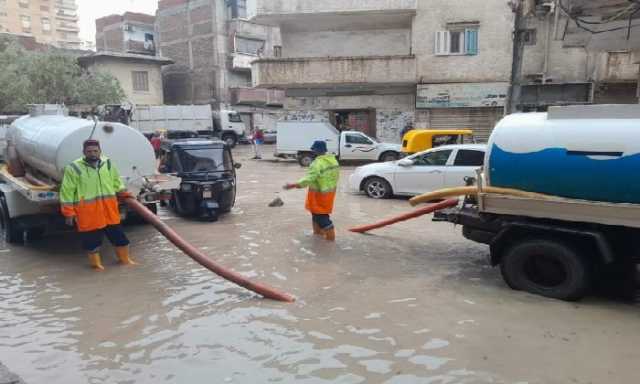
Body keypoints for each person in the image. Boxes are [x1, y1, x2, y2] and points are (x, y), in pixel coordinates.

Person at [60, 140, 136, 271]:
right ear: (84, 152)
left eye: (95, 151)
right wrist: (69, 213)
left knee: (120, 238)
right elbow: (67, 191)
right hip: (89, 213)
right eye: (89, 151)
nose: (93, 154)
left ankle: (125, 260)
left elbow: (116, 181)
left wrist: (124, 194)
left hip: (109, 211)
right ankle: (96, 266)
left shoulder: (107, 163)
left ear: (100, 151)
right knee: (92, 242)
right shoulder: (74, 168)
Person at [284, 141, 340, 241]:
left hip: (318, 195)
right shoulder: (333, 161)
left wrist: (293, 185)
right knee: (316, 214)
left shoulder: (317, 163)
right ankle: (318, 235)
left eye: (313, 149)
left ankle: (331, 242)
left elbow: (309, 179)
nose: (312, 151)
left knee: (321, 217)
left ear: (316, 150)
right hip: (330, 193)